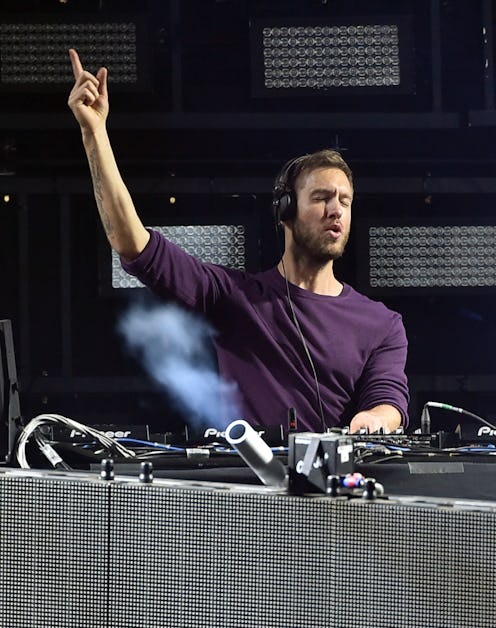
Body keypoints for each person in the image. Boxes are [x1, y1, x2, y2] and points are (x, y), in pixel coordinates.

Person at [68, 49, 409, 434]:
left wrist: (376, 418)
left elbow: (389, 399)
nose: (336, 210)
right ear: (285, 210)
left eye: (345, 201)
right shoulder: (234, 297)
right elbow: (134, 245)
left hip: (334, 473)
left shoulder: (382, 323)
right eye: (321, 198)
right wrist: (94, 134)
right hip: (250, 474)